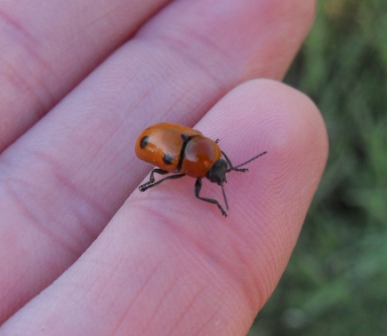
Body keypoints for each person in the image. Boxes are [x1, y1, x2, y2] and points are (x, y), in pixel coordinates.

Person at [0, 0, 327, 334]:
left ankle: (156, 183)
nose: (218, 175)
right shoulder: (200, 157)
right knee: (161, 176)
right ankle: (151, 185)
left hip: (174, 144)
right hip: (157, 146)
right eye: (219, 172)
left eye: (219, 171)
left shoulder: (207, 151)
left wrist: (229, 167)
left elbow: (212, 155)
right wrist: (212, 194)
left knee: (174, 172)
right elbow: (199, 169)